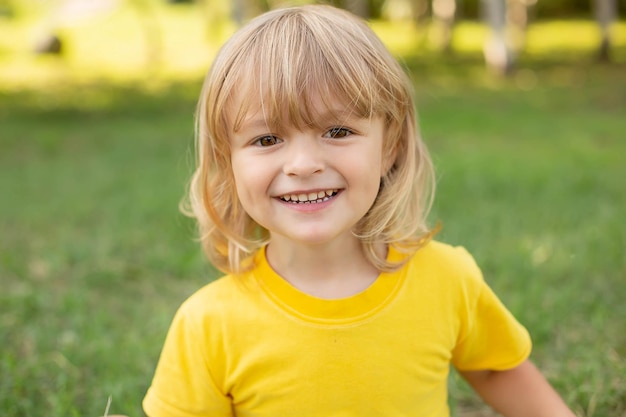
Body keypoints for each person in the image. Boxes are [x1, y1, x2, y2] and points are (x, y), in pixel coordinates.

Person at [143, 4, 575, 417]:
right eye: (267, 139)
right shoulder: (208, 324)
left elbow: (495, 368)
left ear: (390, 146)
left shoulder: (447, 280)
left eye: (337, 131)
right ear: (228, 161)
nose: (303, 164)